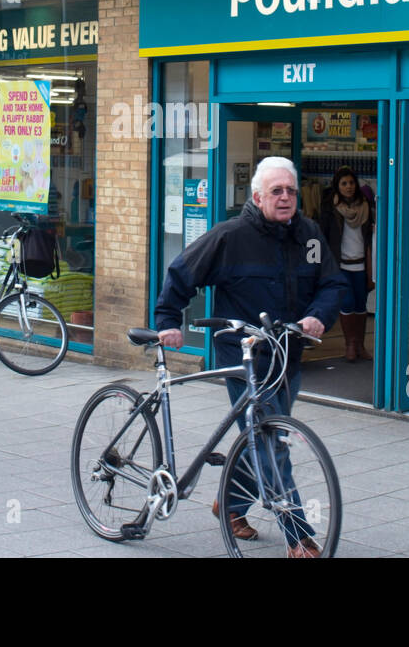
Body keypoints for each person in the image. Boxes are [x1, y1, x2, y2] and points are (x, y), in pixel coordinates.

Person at [155, 156, 347, 557]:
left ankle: (231, 505)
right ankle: (299, 536)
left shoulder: (309, 235)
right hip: (243, 358)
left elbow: (332, 283)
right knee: (270, 442)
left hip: (287, 357)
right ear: (257, 195)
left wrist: (318, 316)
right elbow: (181, 273)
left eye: (291, 191)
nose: (285, 197)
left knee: (262, 437)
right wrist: (168, 320)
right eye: (276, 191)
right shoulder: (230, 236)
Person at [318, 166, 375, 362]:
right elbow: (321, 236)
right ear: (337, 186)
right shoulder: (330, 207)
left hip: (362, 264)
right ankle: (349, 344)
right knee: (347, 303)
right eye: (344, 183)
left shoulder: (366, 206)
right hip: (340, 264)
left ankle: (360, 345)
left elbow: (371, 236)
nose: (348, 187)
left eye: (351, 183)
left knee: (361, 304)